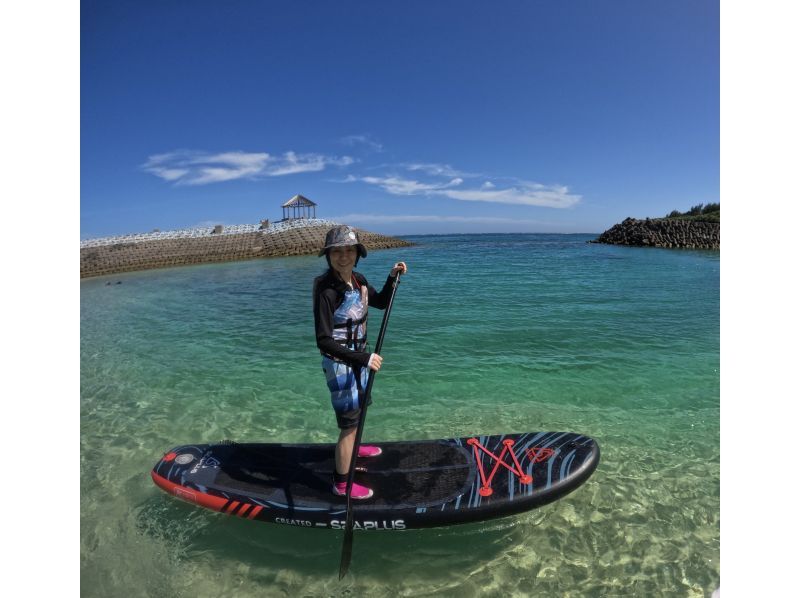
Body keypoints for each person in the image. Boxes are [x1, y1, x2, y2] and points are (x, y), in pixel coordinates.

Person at [313, 225, 408, 499]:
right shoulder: (326, 291)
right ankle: (341, 483)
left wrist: (392, 279)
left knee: (360, 410)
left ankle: (356, 447)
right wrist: (364, 358)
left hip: (360, 360)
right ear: (329, 255)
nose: (343, 256)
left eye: (349, 251)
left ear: (357, 254)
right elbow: (323, 340)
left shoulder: (359, 281)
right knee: (348, 423)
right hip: (341, 364)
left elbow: (380, 302)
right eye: (337, 252)